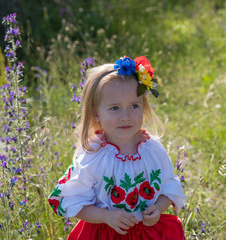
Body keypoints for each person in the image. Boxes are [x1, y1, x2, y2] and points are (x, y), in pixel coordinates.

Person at [48, 56, 186, 239]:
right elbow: (73, 201)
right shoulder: (95, 154)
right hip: (106, 233)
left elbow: (169, 185)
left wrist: (158, 209)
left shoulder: (152, 149)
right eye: (114, 108)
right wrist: (106, 216)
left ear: (144, 107)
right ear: (96, 113)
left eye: (134, 106)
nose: (126, 116)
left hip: (146, 232)